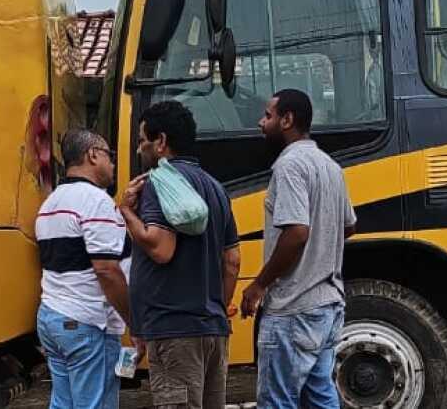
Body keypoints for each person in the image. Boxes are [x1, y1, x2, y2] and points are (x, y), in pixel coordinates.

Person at [119, 100, 241, 409]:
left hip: (174, 330)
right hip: (212, 330)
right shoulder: (216, 188)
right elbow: (232, 260)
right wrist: (216, 307)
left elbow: (160, 249)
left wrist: (125, 212)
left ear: (160, 142)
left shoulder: (161, 183)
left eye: (141, 141)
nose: (138, 150)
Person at [241, 88, 357, 408]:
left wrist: (259, 285)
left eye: (268, 115)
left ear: (287, 120)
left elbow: (296, 232)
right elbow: (348, 225)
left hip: (294, 308)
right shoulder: (329, 165)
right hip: (328, 306)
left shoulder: (289, 165)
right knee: (320, 397)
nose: (261, 122)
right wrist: (320, 253)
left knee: (278, 401)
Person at [34, 129, 132, 409]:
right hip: (87, 322)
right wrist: (133, 320)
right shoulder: (96, 201)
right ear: (93, 155)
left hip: (53, 318)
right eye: (109, 156)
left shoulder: (50, 204)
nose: (113, 164)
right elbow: (106, 270)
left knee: (64, 404)